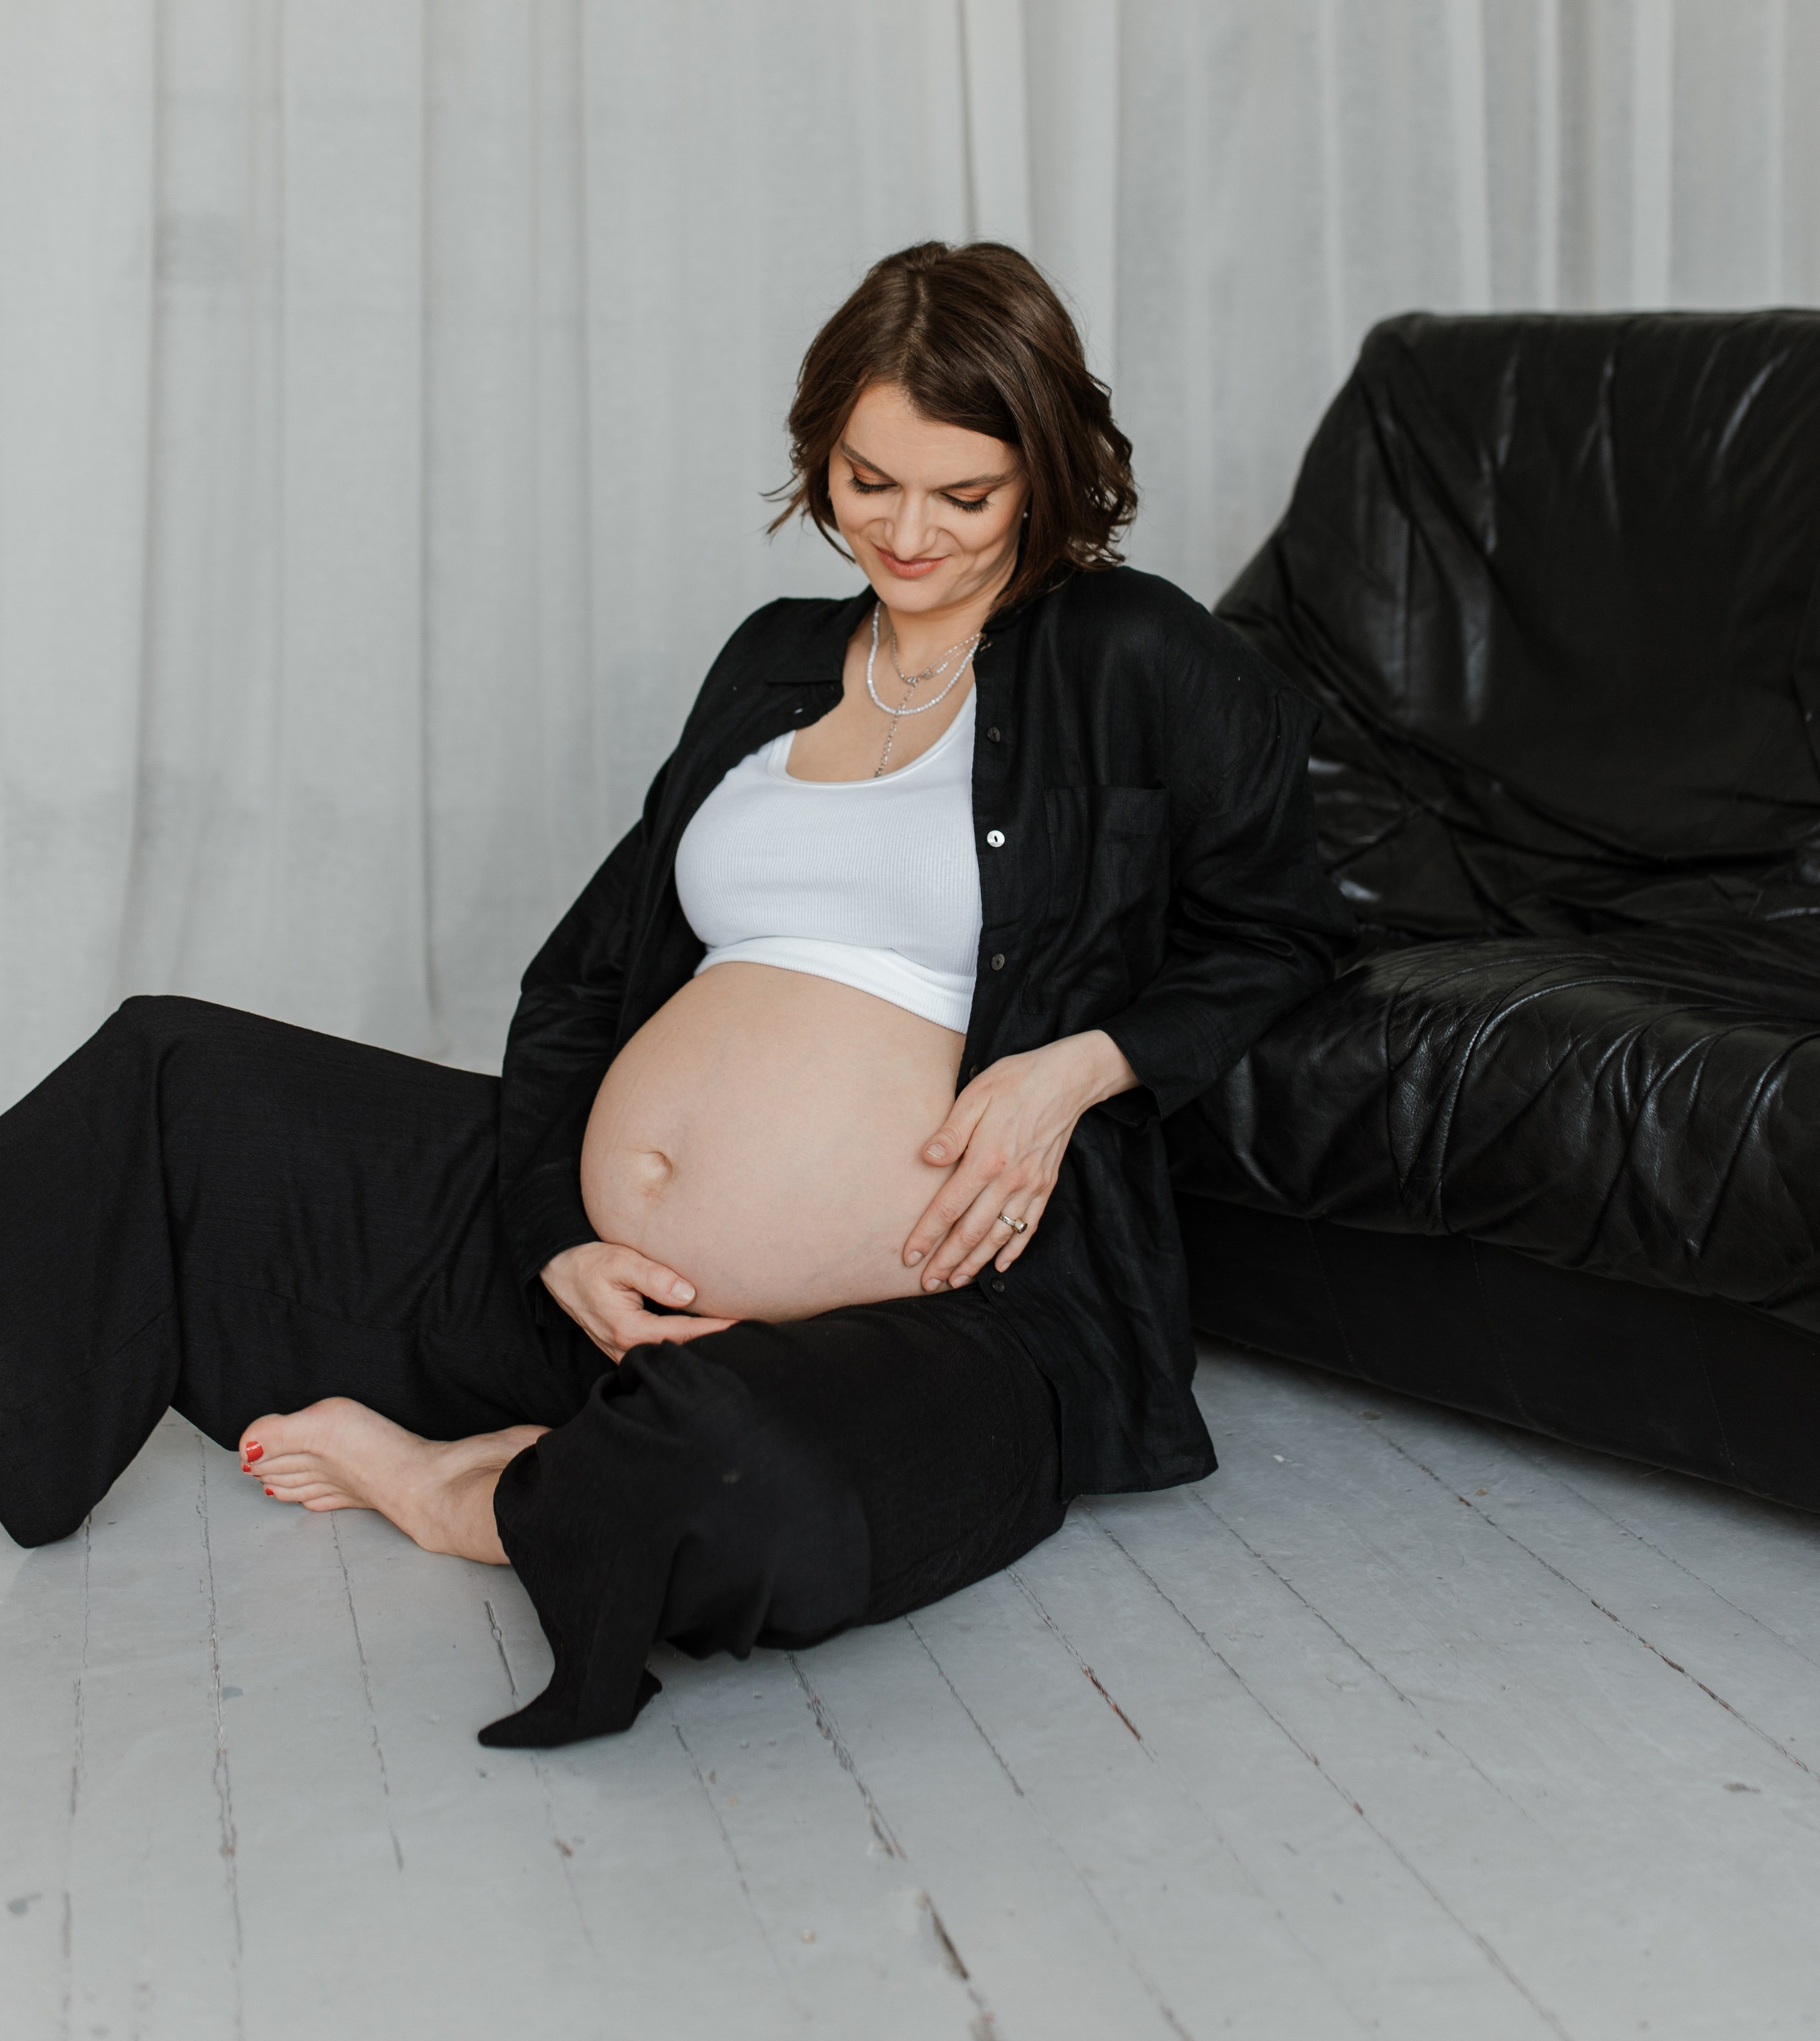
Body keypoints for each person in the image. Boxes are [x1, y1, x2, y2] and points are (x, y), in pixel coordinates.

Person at [0, 241, 1351, 1747]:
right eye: (865, 481)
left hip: (933, 1320)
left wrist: (1079, 1067)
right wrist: (558, 1232)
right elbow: (582, 980)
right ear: (819, 451)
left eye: (962, 496)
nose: (906, 533)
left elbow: (1283, 934)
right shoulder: (773, 659)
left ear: (1040, 474)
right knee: (165, 1074)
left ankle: (471, 1486)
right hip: (596, 1293)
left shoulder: (1137, 654)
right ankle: (572, 1431)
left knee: (754, 1487)